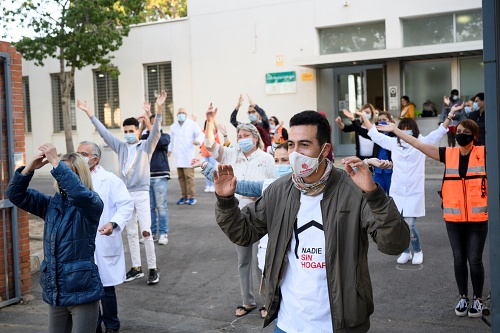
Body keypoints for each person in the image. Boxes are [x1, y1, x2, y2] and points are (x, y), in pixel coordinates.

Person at [212, 110, 409, 332]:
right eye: (291, 145)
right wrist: (226, 200)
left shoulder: (353, 190)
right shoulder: (279, 190)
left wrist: (374, 194)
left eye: (304, 145)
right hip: (287, 324)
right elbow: (243, 233)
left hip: (340, 323)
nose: (295, 153)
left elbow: (394, 244)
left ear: (324, 149)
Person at [377, 118, 488, 318]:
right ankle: (463, 297)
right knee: (459, 259)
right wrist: (395, 130)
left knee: (475, 260)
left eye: (466, 131)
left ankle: (478, 299)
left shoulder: (484, 153)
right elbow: (417, 144)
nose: (462, 133)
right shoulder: (448, 154)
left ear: (474, 135)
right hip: (454, 218)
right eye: (459, 130)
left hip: (478, 218)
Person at [7, 144, 104, 332]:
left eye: (66, 172)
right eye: (58, 171)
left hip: (82, 291)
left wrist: (56, 163)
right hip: (56, 292)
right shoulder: (51, 205)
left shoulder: (91, 203)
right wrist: (29, 169)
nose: (60, 176)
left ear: (79, 176)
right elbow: (15, 195)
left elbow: (77, 193)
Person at [77, 92, 166, 285]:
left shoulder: (146, 146)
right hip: (125, 194)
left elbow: (156, 132)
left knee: (146, 231)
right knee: (131, 232)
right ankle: (136, 267)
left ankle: (152, 267)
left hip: (141, 193)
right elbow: (104, 133)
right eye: (125, 131)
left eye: (131, 130)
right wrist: (89, 113)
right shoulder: (121, 147)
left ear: (137, 131)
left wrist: (158, 110)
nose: (127, 134)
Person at [205, 104, 276, 318]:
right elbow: (210, 145)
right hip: (239, 216)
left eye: (246, 135)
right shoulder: (231, 155)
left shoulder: (266, 158)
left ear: (255, 138)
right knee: (243, 261)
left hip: (262, 216)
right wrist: (210, 121)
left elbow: (273, 187)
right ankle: (248, 301)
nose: (242, 138)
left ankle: (268, 302)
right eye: (240, 135)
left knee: (261, 262)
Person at [359, 108, 451, 265]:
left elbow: (439, 132)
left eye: (409, 130)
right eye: (403, 130)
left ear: (414, 131)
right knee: (398, 223)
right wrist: (363, 117)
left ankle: (418, 250)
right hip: (398, 191)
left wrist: (450, 116)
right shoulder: (394, 143)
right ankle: (405, 251)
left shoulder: (421, 142)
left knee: (410, 224)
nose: (406, 132)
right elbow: (374, 134)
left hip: (414, 191)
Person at [77, 141, 134, 333]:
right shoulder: (72, 179)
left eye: (83, 154)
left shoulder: (110, 179)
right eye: (78, 153)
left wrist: (113, 223)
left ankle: (112, 325)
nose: (80, 157)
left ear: (95, 158)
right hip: (81, 241)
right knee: (87, 289)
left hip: (103, 238)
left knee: (106, 289)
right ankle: (94, 326)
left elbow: (126, 204)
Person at [141, 109, 171, 245]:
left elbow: (157, 140)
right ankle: (152, 233)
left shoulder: (165, 137)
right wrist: (143, 123)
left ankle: (163, 233)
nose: (152, 127)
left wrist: (150, 126)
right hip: (147, 177)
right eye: (151, 124)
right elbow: (136, 142)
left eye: (154, 124)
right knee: (150, 207)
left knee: (161, 206)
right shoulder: (144, 138)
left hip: (160, 176)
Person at [168, 107, 204, 205]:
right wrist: (169, 150)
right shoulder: (173, 126)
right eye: (179, 113)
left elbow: (201, 134)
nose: (181, 114)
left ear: (186, 115)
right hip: (178, 155)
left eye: (183, 112)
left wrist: (198, 141)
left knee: (189, 177)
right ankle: (183, 196)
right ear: (176, 115)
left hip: (188, 155)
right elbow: (171, 140)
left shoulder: (192, 124)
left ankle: (191, 196)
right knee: (181, 177)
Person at [200, 120, 220, 192]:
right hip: (204, 154)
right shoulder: (202, 132)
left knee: (213, 170)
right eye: (207, 124)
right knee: (206, 170)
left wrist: (212, 120)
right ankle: (208, 185)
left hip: (212, 154)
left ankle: (213, 185)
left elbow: (217, 129)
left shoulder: (214, 132)